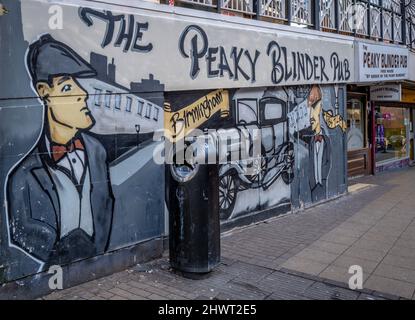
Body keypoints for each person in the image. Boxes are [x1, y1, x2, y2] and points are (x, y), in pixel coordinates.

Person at [6, 34, 114, 268]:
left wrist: (95, 254)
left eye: (79, 85)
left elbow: (105, 206)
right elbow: (23, 233)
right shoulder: (23, 177)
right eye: (67, 87)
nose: (83, 94)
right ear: (44, 92)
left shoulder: (97, 152)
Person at [308, 85, 331, 203]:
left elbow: (328, 160)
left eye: (314, 116)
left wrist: (324, 176)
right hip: (313, 183)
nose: (311, 118)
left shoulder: (326, 140)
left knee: (322, 200)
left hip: (322, 181)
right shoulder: (310, 140)